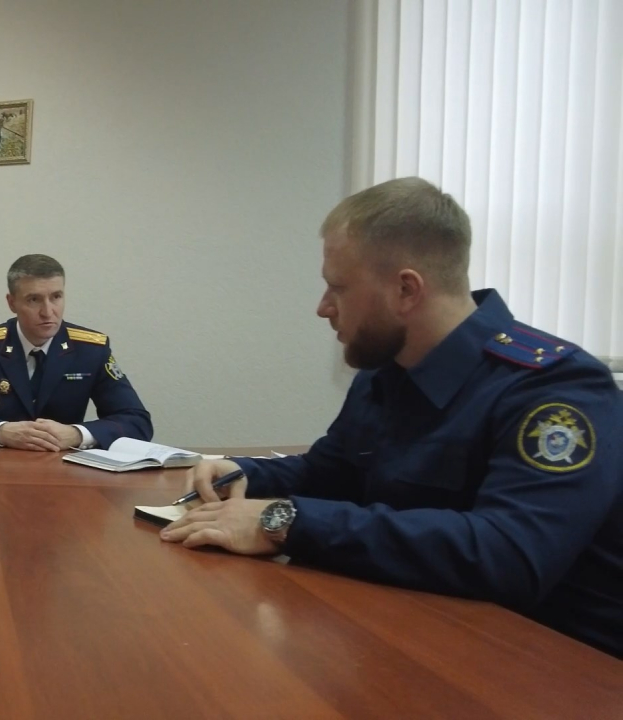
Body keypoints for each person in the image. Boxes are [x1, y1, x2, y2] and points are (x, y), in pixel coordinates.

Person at [160, 177, 622, 658]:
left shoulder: (554, 391)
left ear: (405, 289)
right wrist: (245, 474)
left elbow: (509, 554)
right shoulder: (389, 369)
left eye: (338, 287)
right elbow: (332, 473)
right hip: (422, 628)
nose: (323, 308)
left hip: (554, 661)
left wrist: (284, 522)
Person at [0, 254, 152, 451]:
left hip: (67, 474)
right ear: (12, 303)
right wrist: (0, 431)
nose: (48, 312)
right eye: (34, 300)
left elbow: (137, 421)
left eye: (56, 297)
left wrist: (76, 434)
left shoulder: (91, 350)